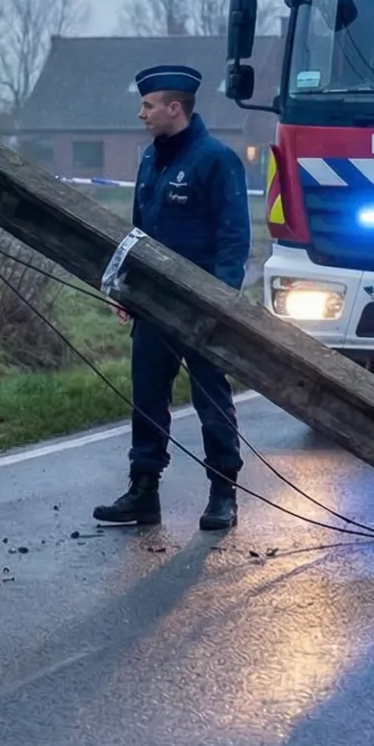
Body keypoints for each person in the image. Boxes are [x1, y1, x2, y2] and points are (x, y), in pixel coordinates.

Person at [93, 65, 251, 532]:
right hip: (153, 305)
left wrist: (220, 302)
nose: (141, 114)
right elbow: (138, 234)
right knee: (147, 396)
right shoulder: (150, 160)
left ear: (174, 108)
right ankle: (144, 491)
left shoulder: (216, 160)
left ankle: (223, 492)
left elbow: (234, 239)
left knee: (211, 399)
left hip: (201, 309)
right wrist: (126, 288)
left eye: (148, 106)